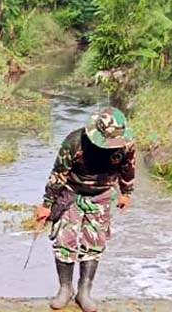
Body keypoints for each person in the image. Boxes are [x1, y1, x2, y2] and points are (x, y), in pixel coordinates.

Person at [35, 107, 135, 312]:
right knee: (65, 240)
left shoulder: (126, 145)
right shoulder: (74, 142)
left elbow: (128, 167)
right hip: (72, 193)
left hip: (102, 195)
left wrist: (126, 192)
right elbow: (58, 174)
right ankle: (65, 288)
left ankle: (84, 291)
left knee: (94, 242)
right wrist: (47, 205)